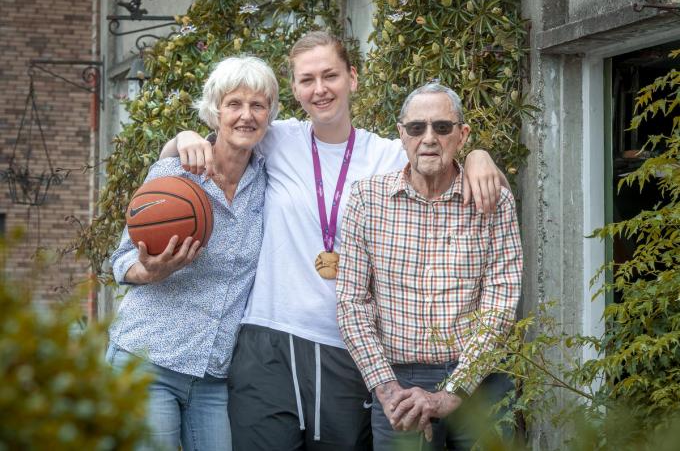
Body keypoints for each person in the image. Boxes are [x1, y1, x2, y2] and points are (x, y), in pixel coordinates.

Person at [160, 32, 507, 450]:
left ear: (353, 78)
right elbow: (192, 154)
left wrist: (478, 158)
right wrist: (183, 137)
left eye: (330, 76)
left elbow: (447, 159)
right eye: (307, 79)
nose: (320, 89)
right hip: (267, 338)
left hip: (345, 347)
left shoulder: (388, 152)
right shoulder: (275, 138)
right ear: (294, 89)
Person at [336, 83, 523, 451]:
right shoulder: (366, 198)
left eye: (442, 127)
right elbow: (351, 304)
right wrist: (388, 390)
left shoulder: (493, 201)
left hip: (481, 381)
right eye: (416, 128)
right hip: (397, 383)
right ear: (401, 133)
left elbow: (500, 305)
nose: (428, 138)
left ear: (462, 134)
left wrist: (451, 393)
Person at [107, 55, 277, 451]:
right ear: (215, 110)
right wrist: (148, 272)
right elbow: (119, 260)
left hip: (212, 375)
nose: (246, 115)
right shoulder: (174, 176)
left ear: (270, 114)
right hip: (148, 358)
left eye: (258, 105)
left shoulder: (271, 179)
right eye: (234, 104)